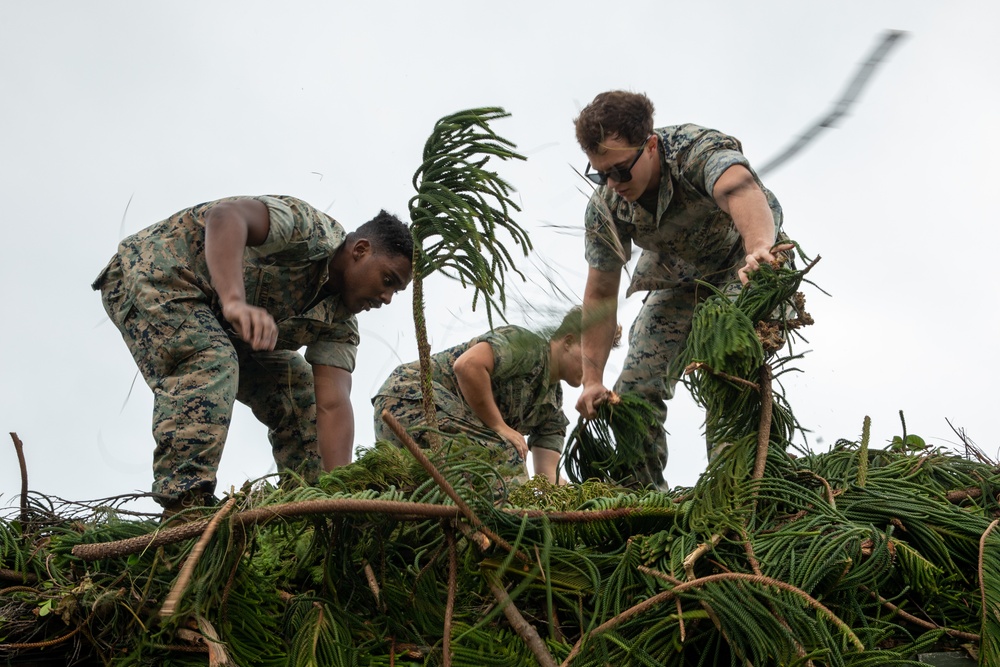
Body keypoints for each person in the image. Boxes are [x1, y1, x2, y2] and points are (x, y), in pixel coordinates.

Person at [92, 195, 413, 513]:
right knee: (211, 360)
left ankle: (312, 507)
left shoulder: (339, 322)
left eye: (395, 292)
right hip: (157, 276)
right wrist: (234, 302)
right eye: (388, 280)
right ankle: (183, 506)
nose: (386, 298)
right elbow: (226, 217)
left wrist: (343, 492)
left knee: (298, 386)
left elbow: (332, 404)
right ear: (360, 251)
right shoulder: (307, 231)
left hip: (219, 326)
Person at [572, 90, 792, 489]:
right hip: (683, 278)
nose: (612, 183)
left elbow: (741, 190)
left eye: (621, 170)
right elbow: (601, 295)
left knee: (723, 355)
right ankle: (641, 500)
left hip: (746, 264)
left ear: (651, 146)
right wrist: (591, 378)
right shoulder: (607, 205)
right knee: (635, 385)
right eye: (600, 173)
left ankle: (737, 490)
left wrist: (759, 247)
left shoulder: (695, 149)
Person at [371, 308, 589, 484]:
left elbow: (547, 478)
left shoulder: (552, 411)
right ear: (568, 342)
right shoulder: (528, 347)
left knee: (497, 464)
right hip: (409, 398)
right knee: (505, 454)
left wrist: (591, 497)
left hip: (436, 432)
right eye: (591, 357)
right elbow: (468, 366)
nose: (593, 368)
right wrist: (500, 427)